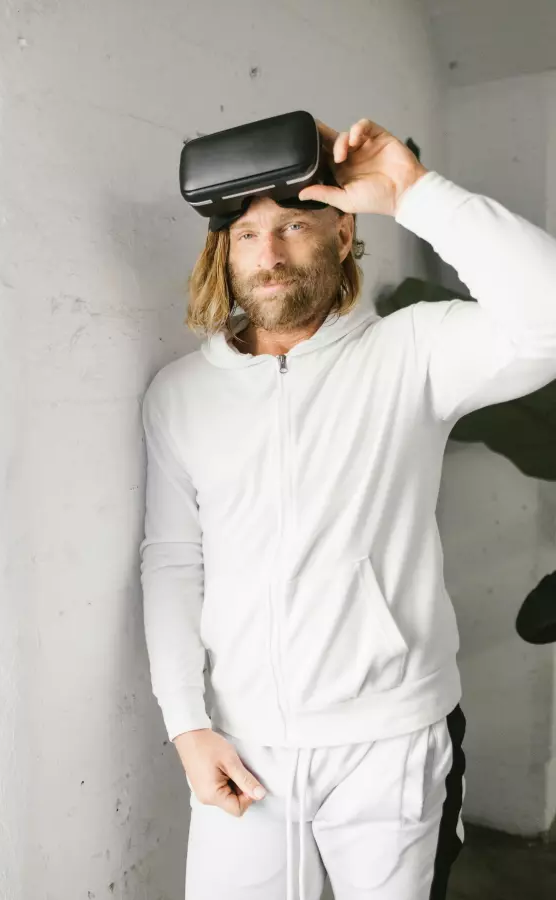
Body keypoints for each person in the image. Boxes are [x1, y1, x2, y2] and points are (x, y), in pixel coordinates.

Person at [140, 117, 556, 899]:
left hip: (391, 743)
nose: (269, 255)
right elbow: (172, 559)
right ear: (221, 254)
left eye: (295, 226)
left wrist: (413, 191)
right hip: (242, 743)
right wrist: (185, 722)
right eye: (248, 234)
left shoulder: (414, 352)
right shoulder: (180, 394)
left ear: (341, 235)